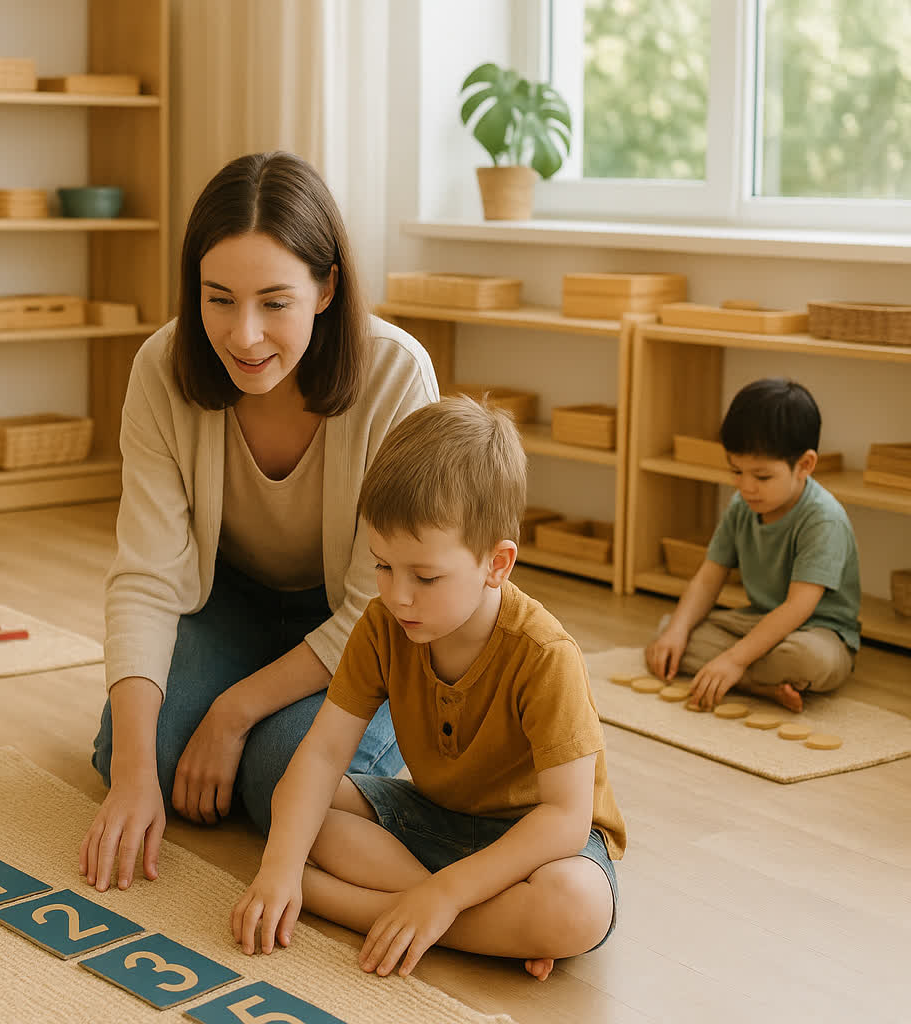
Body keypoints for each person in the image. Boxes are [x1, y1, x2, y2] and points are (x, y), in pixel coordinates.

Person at [82, 151, 439, 893]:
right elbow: (146, 580)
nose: (244, 336)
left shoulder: (398, 377)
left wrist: (233, 712)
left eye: (275, 303)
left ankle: (396, 751)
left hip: (377, 629)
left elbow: (380, 604)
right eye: (219, 299)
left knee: (282, 775)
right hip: (233, 603)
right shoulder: (160, 369)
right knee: (130, 747)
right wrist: (132, 778)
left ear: (327, 286)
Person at [230, 396, 625, 982]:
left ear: (497, 564)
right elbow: (320, 756)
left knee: (578, 906)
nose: (397, 595)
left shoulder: (545, 656)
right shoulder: (381, 626)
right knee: (306, 810)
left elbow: (565, 820)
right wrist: (279, 868)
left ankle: (372, 908)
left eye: (426, 576)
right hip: (433, 820)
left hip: (533, 847)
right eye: (383, 566)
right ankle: (471, 924)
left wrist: (444, 896)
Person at [646, 377, 859, 712]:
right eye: (736, 471)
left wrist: (734, 658)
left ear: (805, 466)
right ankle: (759, 685)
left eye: (762, 477)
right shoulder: (741, 505)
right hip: (758, 621)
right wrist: (677, 631)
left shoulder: (823, 518)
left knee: (809, 660)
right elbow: (708, 578)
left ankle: (735, 673)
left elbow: (797, 608)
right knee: (669, 633)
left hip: (818, 632)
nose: (746, 487)